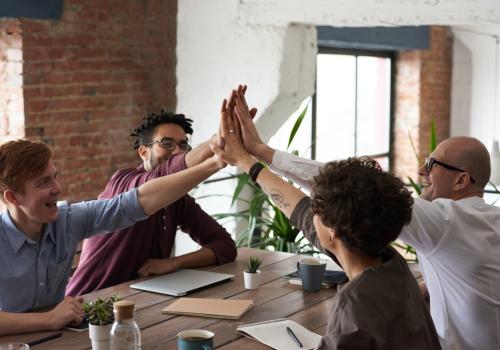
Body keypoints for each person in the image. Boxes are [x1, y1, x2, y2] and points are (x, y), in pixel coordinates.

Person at [232, 86, 500, 350]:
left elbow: (345, 189)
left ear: (461, 180)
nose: (421, 170)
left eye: (431, 164)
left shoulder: (446, 224)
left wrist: (259, 153)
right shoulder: (399, 267)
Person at [210, 97, 441, 349]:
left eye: (317, 209)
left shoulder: (357, 301)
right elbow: (299, 210)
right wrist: (247, 160)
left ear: (333, 230)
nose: (311, 213)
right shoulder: (389, 262)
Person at [0, 137, 225, 336]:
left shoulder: (66, 220)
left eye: (55, 177)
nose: (57, 188)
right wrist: (49, 319)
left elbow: (138, 202)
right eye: (44, 182)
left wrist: (215, 163)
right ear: (13, 197)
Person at [66, 110, 237, 296]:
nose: (178, 151)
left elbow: (224, 245)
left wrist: (174, 263)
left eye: (183, 145)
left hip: (144, 302)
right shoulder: (123, 181)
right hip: (89, 304)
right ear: (143, 152)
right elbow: (161, 176)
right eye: (167, 144)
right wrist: (215, 143)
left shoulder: (178, 199)